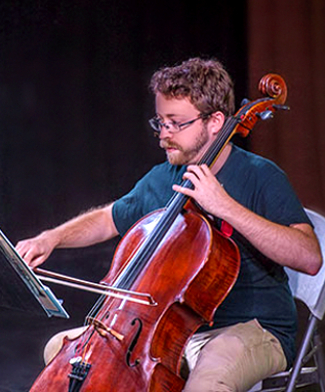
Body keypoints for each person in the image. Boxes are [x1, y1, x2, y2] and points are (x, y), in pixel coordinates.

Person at [16, 57, 322, 392]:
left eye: (176, 124)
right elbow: (108, 218)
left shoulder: (261, 176)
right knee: (64, 353)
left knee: (206, 385)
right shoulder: (165, 176)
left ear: (216, 121)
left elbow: (308, 257)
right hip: (172, 329)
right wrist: (51, 238)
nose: (164, 135)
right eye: (160, 122)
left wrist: (225, 207)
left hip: (252, 328)